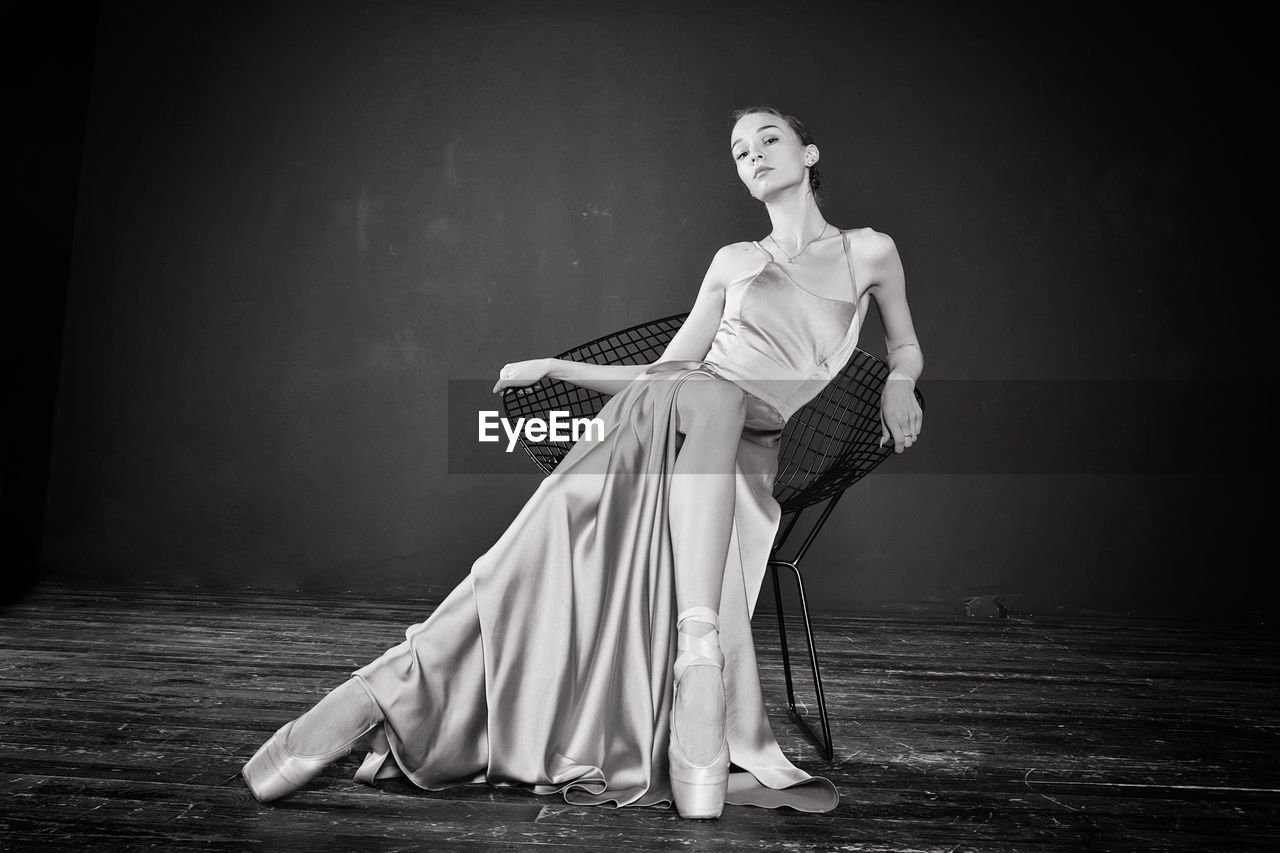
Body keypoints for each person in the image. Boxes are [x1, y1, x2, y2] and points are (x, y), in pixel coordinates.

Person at [241, 105, 924, 819]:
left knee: (548, 539)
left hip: (742, 450)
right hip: (665, 419)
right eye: (738, 150)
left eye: (768, 140)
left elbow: (903, 344)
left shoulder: (868, 252)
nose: (752, 154)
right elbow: (669, 372)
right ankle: (698, 666)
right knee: (707, 396)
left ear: (809, 154)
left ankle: (368, 697)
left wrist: (901, 382)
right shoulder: (734, 262)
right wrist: (556, 365)